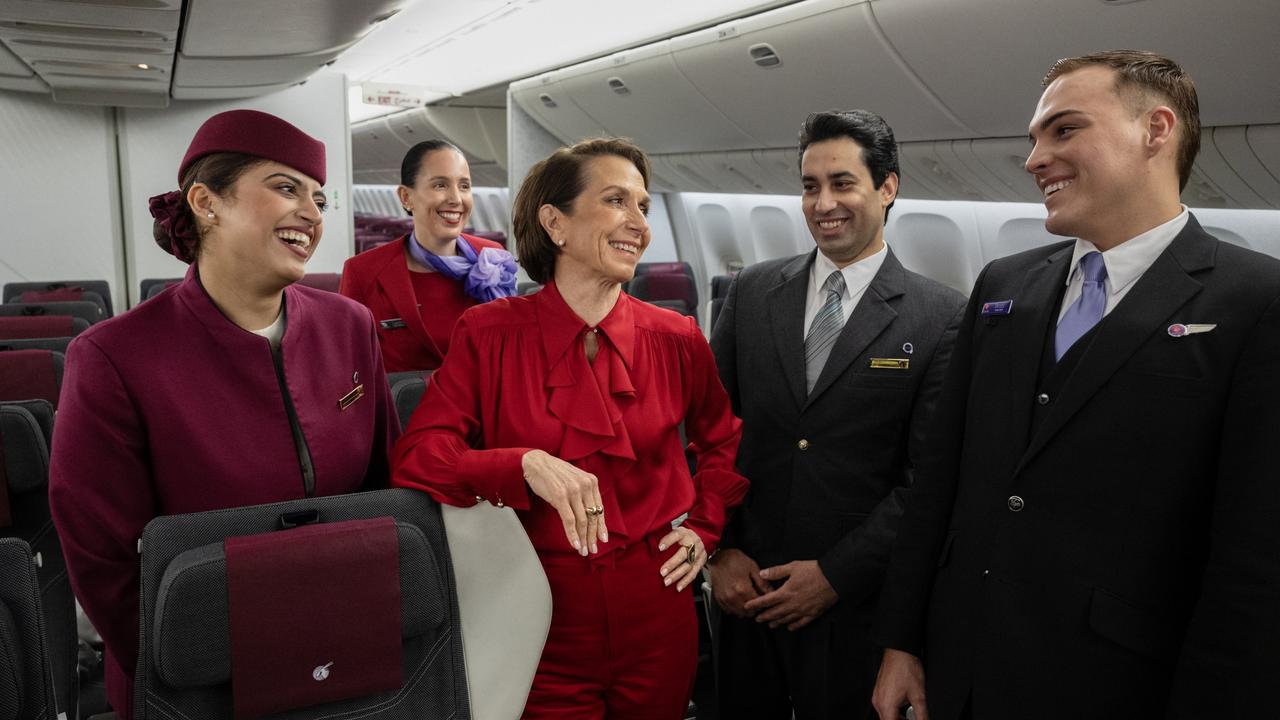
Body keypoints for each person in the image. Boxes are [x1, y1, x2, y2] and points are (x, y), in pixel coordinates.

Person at [872, 50, 1280, 720]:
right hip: (963, 666)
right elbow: (941, 481)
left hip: (1114, 683)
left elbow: (1254, 564)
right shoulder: (1004, 285)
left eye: (1063, 131)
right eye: (1034, 139)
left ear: (1156, 130)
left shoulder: (1254, 301)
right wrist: (901, 640)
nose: (1034, 158)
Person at [48, 109, 399, 719]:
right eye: (286, 188)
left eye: (319, 197)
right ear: (207, 202)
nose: (313, 215)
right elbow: (104, 563)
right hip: (198, 677)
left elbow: (387, 490)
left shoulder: (349, 326)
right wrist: (187, 669)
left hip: (347, 651)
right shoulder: (114, 357)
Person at [392, 137, 748, 719]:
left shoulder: (677, 337)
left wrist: (706, 528)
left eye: (644, 207)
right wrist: (520, 464)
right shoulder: (490, 334)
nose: (639, 224)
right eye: (616, 201)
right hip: (535, 607)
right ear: (554, 223)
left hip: (657, 604)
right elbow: (420, 455)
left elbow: (721, 439)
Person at [707, 110, 964, 719]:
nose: (824, 203)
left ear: (888, 188)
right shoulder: (751, 293)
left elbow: (926, 479)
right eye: (809, 186)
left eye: (842, 183)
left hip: (854, 605)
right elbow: (708, 429)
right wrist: (719, 549)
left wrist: (834, 575)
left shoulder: (940, 315)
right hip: (746, 588)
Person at [340, 140, 517, 372]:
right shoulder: (363, 272)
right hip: (406, 407)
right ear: (406, 197)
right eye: (440, 185)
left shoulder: (492, 257)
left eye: (464, 186)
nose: (456, 198)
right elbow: (349, 366)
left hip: (484, 406)